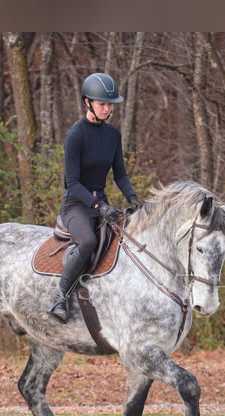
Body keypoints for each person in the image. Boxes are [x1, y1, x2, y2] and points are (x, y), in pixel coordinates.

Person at [48, 72, 143, 323]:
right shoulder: (75, 136)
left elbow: (119, 174)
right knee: (88, 242)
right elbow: (72, 182)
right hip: (76, 205)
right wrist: (98, 205)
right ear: (87, 102)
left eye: (109, 104)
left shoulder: (113, 135)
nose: (107, 108)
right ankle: (61, 296)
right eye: (102, 103)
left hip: (101, 204)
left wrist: (133, 199)